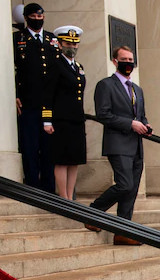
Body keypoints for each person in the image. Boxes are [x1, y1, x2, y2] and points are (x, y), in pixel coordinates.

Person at [87, 46, 151, 246]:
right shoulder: (106, 85)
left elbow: (141, 115)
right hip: (118, 143)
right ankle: (93, 211)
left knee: (131, 190)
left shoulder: (137, 89)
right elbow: (103, 114)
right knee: (124, 184)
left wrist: (145, 125)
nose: (128, 63)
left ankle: (123, 230)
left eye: (131, 59)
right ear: (115, 61)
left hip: (136, 146)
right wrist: (130, 124)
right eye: (124, 59)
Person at [13, 2, 58, 193]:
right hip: (28, 102)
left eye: (41, 17)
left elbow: (57, 71)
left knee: (49, 148)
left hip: (49, 103)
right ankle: (32, 187)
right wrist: (14, 95)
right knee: (30, 146)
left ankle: (48, 188)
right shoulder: (17, 39)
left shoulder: (51, 39)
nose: (38, 20)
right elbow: (11, 71)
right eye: (34, 17)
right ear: (26, 17)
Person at [42, 26, 86, 200]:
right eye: (68, 43)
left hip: (76, 119)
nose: (72, 47)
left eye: (75, 44)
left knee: (74, 159)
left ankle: (70, 196)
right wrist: (47, 120)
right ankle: (63, 197)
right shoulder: (55, 65)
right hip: (60, 120)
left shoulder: (78, 67)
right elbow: (47, 94)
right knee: (61, 159)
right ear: (60, 44)